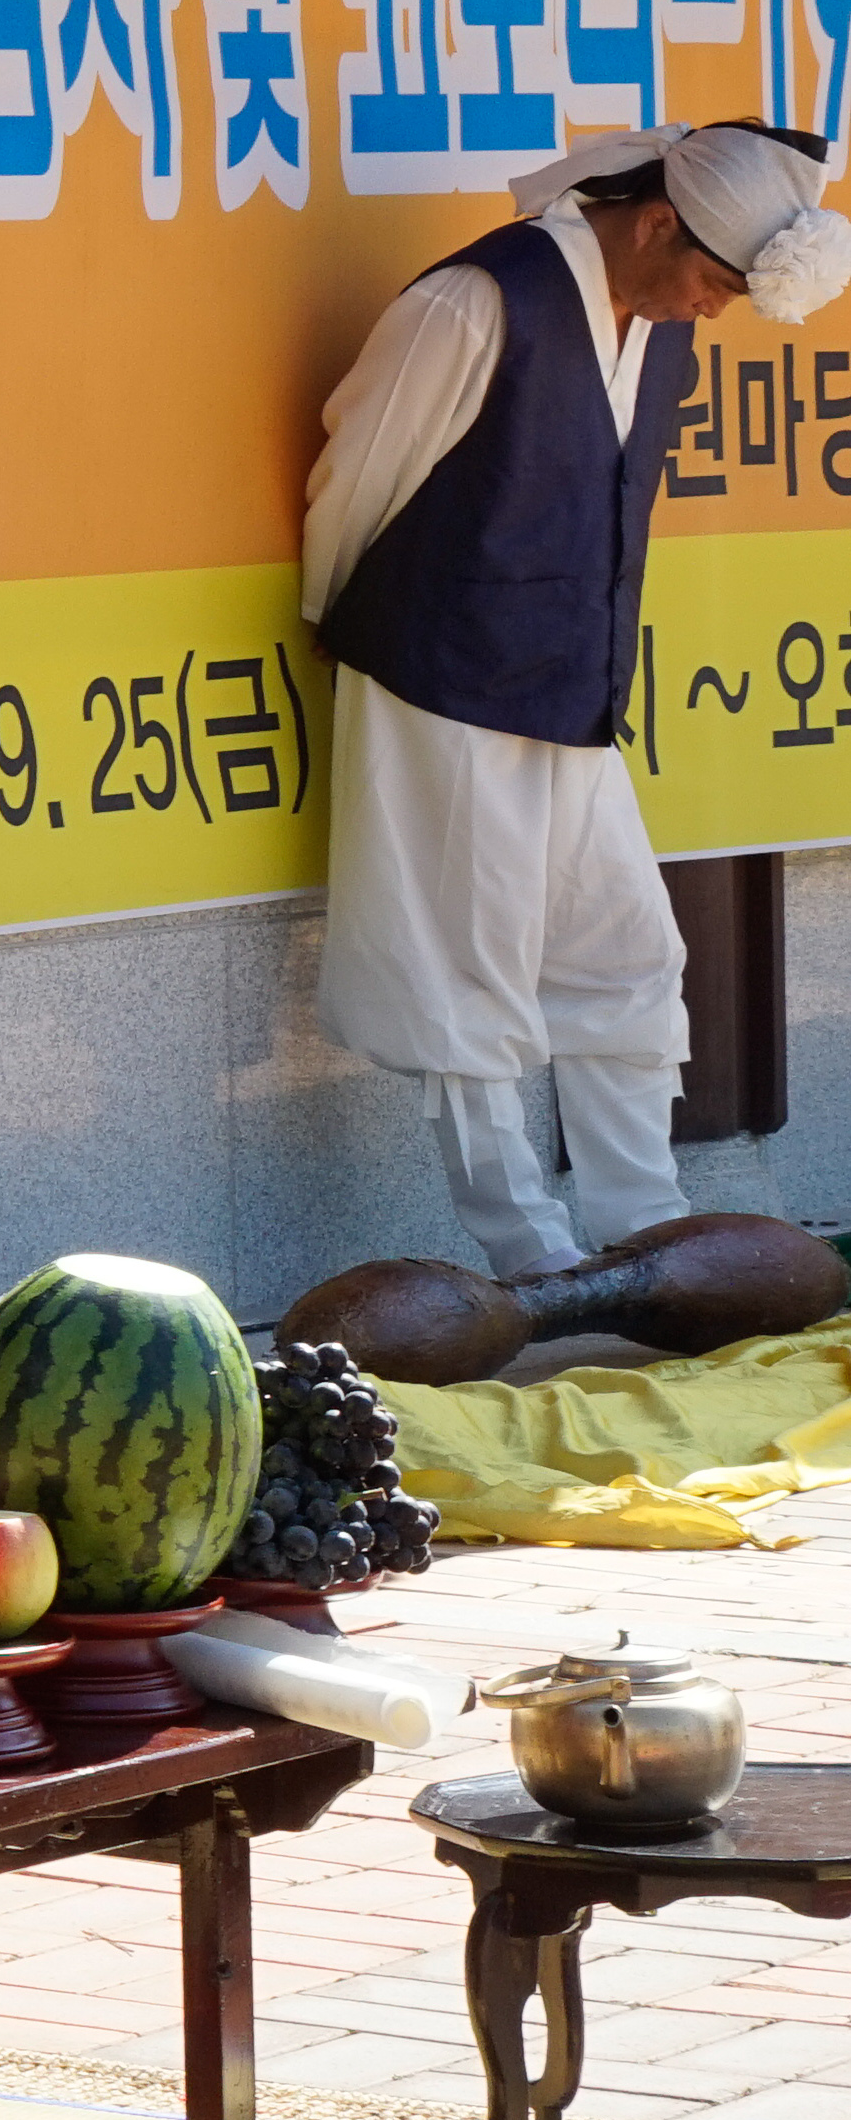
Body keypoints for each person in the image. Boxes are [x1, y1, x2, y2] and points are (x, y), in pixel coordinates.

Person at [302, 118, 847, 1276]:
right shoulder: (475, 300)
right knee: (468, 975)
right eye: (710, 282)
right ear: (654, 221)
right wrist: (358, 627)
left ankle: (641, 1227)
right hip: (439, 678)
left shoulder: (650, 319)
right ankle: (530, 1257)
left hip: (571, 684)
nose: (712, 309)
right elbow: (359, 472)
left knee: (627, 953)